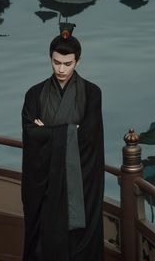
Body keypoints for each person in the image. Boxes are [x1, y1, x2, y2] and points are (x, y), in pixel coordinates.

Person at [21, 23, 104, 261]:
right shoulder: (34, 94)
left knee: (78, 236)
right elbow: (30, 133)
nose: (61, 69)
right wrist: (68, 131)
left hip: (79, 177)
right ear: (50, 59)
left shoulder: (92, 93)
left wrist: (47, 130)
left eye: (67, 64)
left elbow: (88, 136)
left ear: (78, 62)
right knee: (44, 239)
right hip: (45, 179)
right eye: (56, 62)